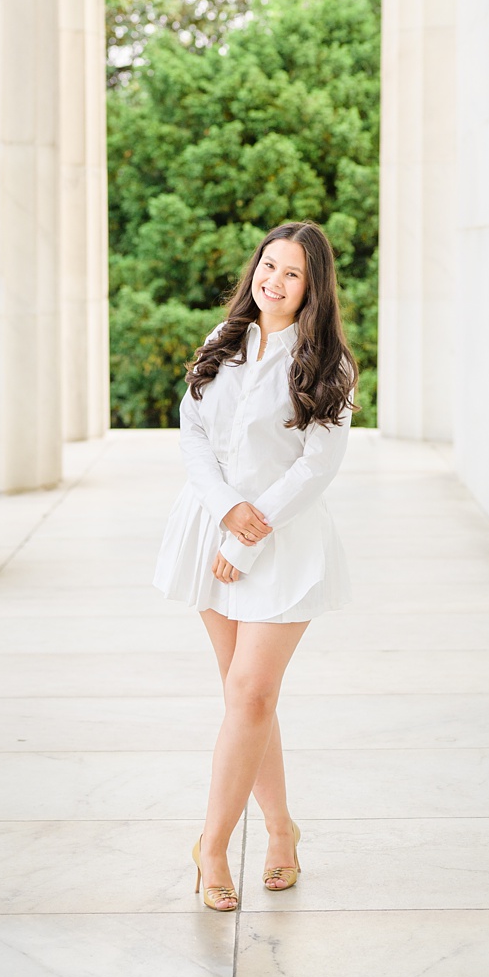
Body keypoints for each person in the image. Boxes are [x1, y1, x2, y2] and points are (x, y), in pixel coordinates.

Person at [151, 221, 355, 912]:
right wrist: (223, 510)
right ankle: (280, 831)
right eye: (269, 265)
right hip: (209, 530)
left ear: (313, 287)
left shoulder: (327, 365)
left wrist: (247, 534)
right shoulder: (223, 341)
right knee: (246, 699)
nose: (274, 280)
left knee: (251, 694)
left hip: (281, 545)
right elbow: (193, 433)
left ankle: (210, 847)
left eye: (292, 273)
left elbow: (317, 467)